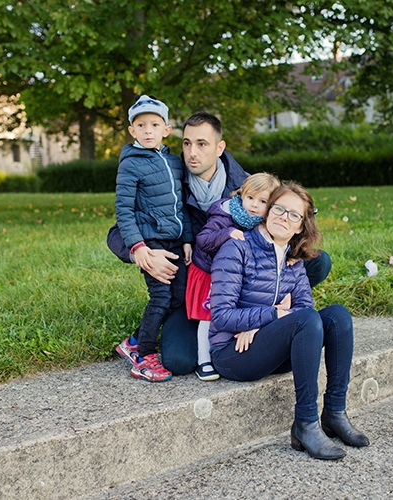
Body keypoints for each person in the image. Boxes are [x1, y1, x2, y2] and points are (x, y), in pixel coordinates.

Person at [109, 112, 332, 375]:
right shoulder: (168, 179)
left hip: (247, 283)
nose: (192, 152)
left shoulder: (248, 185)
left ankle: (267, 312)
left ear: (219, 147)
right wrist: (143, 254)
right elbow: (116, 232)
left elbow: (288, 214)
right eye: (187, 143)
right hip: (198, 284)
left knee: (317, 261)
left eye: (202, 144)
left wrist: (291, 250)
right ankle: (213, 334)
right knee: (179, 361)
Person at [209, 181, 369, 460]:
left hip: (266, 345)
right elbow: (222, 316)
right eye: (279, 209)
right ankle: (305, 424)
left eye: (294, 215)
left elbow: (304, 308)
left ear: (300, 227)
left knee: (337, 317)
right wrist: (273, 314)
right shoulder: (238, 248)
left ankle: (334, 412)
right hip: (232, 353)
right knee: (304, 318)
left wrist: (263, 325)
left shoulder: (295, 260)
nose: (284, 217)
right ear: (268, 211)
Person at [112, 94, 192, 383]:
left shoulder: (173, 163)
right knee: (160, 297)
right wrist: (138, 246)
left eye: (154, 125)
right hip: (151, 241)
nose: (148, 131)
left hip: (174, 242)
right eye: (141, 125)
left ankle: (134, 340)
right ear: (132, 130)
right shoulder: (131, 164)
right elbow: (124, 210)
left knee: (180, 295)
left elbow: (180, 205)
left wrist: (186, 239)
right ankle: (143, 356)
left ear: (166, 129)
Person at [188, 172, 280, 381]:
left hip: (231, 275)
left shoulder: (259, 222)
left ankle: (225, 345)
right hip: (209, 273)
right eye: (250, 198)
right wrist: (226, 233)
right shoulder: (225, 215)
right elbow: (203, 240)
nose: (254, 205)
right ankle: (204, 360)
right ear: (241, 195)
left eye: (263, 201)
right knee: (209, 315)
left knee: (232, 310)